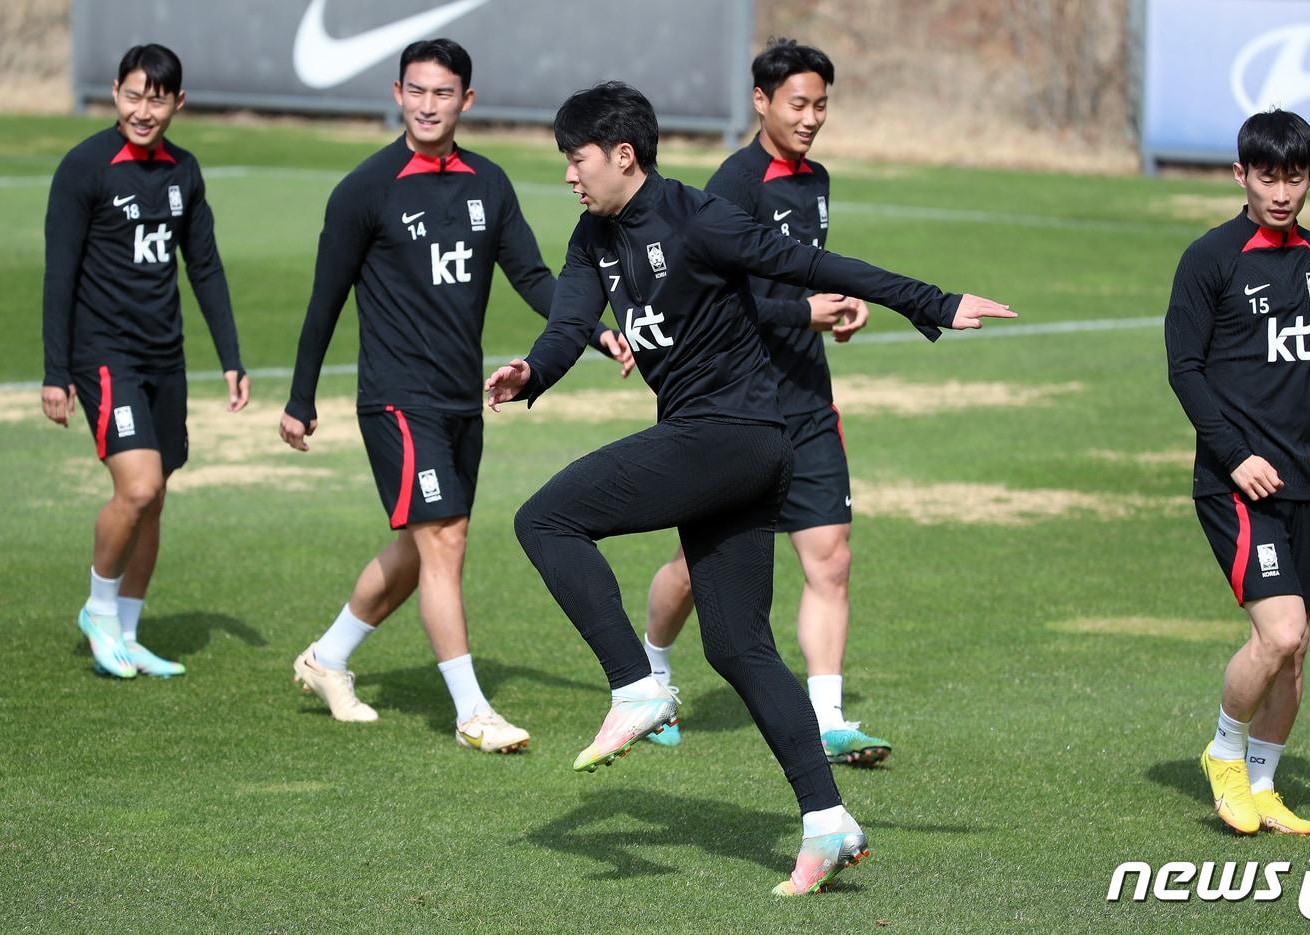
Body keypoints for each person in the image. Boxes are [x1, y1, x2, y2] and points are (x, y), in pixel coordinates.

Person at [486, 81, 1014, 893]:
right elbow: (567, 326)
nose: (568, 175)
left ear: (622, 155)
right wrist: (532, 372)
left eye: (576, 159)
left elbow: (814, 265)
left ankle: (636, 685)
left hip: (730, 437)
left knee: (545, 519)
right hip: (729, 450)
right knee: (737, 645)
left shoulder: (699, 218)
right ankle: (828, 821)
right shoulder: (593, 236)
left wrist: (933, 302)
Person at [278, 39, 631, 753]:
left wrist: (595, 332)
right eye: (416, 90)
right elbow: (325, 299)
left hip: (461, 401)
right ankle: (473, 712)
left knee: (420, 548)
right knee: (444, 539)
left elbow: (533, 278)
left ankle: (327, 657)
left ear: (466, 100)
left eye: (443, 93)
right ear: (397, 93)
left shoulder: (488, 184)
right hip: (396, 398)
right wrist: (300, 398)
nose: (428, 105)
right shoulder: (365, 189)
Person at [641, 39, 889, 764]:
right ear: (761, 101)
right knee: (695, 569)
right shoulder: (732, 186)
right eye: (798, 104)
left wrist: (838, 306)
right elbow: (708, 299)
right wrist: (800, 314)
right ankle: (650, 676)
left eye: (821, 105)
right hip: (734, 404)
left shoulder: (816, 181)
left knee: (830, 558)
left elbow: (799, 276)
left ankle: (827, 718)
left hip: (807, 402)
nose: (811, 118)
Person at [1165, 110, 1310, 836]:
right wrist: (1235, 455)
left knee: (1295, 653)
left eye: (1294, 178)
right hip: (1236, 482)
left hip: (1303, 478)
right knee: (1280, 633)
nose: (1281, 193)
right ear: (1241, 175)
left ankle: (1261, 784)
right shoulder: (1210, 258)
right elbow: (1185, 370)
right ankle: (1225, 754)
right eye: (1267, 177)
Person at [42, 43, 249, 679]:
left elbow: (204, 266)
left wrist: (231, 359)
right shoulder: (85, 167)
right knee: (137, 488)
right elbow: (59, 273)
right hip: (104, 354)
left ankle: (127, 637)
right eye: (133, 96)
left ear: (177, 103)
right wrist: (55, 372)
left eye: (156, 100)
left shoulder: (184, 171)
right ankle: (98, 611)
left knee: (155, 499)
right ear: (114, 94)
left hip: (166, 357)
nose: (143, 110)